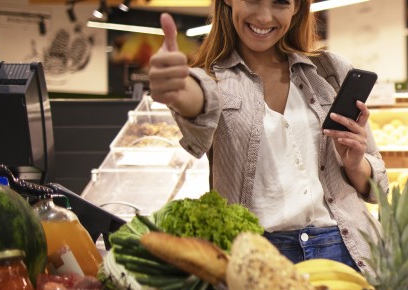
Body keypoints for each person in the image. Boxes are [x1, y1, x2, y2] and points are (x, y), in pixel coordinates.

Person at [148, 0, 388, 272]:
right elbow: (198, 101)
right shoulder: (212, 79)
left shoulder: (330, 71)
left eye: (280, 3)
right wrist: (178, 89)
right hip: (258, 258)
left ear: (297, 7)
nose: (264, 17)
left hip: (349, 251)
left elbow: (379, 187)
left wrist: (355, 164)